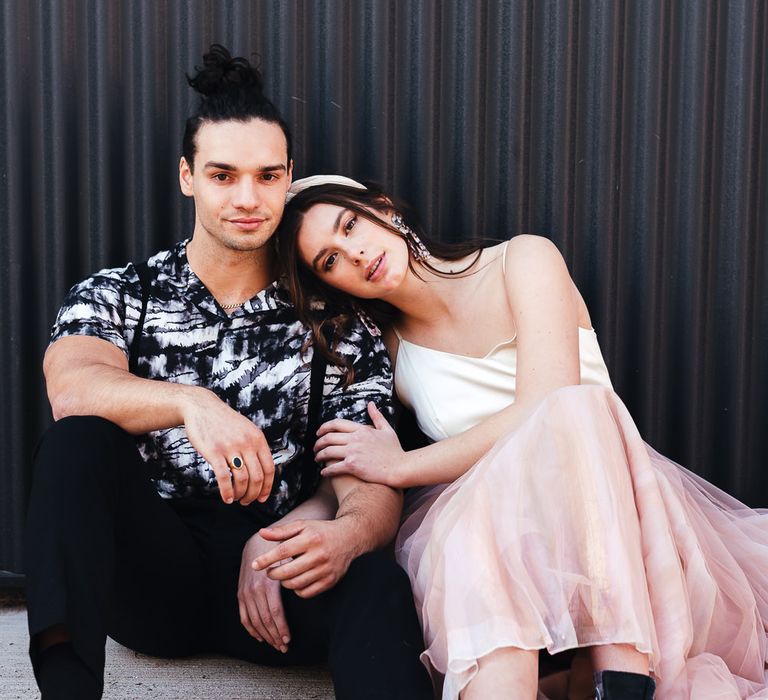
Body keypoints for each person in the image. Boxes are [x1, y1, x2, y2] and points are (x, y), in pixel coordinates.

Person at [24, 48, 434, 700]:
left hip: (279, 586)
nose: (247, 198)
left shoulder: (333, 322)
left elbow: (371, 485)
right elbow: (72, 389)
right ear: (188, 177)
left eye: (267, 176)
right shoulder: (121, 293)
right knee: (77, 445)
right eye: (223, 175)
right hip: (155, 583)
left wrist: (334, 537)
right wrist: (193, 404)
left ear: (289, 177)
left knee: (379, 582)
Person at [275, 175, 768, 700]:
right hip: (506, 540)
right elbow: (351, 467)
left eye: (351, 226)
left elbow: (545, 401)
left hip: (615, 521)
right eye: (329, 262)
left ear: (384, 208)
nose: (354, 254)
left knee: (573, 411)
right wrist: (276, 537)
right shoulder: (390, 350)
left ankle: (622, 677)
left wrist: (402, 467)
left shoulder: (523, 260)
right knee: (469, 523)